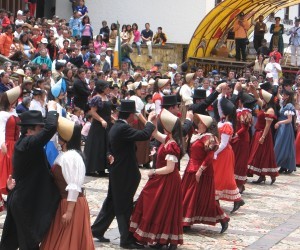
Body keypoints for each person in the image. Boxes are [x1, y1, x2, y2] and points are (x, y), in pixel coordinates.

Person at [91, 100, 155, 249]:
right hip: (123, 174)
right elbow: (145, 134)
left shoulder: (115, 127)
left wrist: (110, 156)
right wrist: (150, 121)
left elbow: (109, 148)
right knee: (123, 206)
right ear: (131, 115)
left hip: (118, 172)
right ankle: (126, 239)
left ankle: (97, 230)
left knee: (112, 203)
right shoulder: (122, 128)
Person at [0, 105, 61, 250]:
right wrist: (52, 109)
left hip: (20, 199)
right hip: (24, 203)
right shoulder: (28, 143)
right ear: (29, 130)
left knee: (10, 241)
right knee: (29, 242)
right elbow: (51, 128)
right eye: (39, 128)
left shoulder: (25, 144)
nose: (41, 131)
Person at [130, 109, 184, 250]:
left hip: (168, 180)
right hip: (164, 179)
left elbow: (170, 168)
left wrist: (154, 171)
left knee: (164, 208)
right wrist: (148, 119)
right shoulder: (168, 140)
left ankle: (167, 240)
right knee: (161, 207)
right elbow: (153, 133)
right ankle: (162, 239)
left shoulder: (172, 144)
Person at [40, 117, 94, 250]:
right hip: (65, 202)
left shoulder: (72, 157)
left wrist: (69, 211)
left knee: (68, 241)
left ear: (65, 139)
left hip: (71, 204)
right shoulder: (67, 155)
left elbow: (74, 185)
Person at [181, 114, 230, 233]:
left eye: (201, 123)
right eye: (199, 123)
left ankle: (222, 218)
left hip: (201, 171)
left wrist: (200, 170)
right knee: (189, 195)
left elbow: (209, 156)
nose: (199, 124)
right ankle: (186, 221)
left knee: (200, 197)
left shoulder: (209, 137)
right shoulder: (198, 136)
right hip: (191, 169)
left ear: (206, 125)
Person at [213, 96, 245, 213]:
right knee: (220, 177)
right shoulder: (223, 123)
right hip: (221, 152)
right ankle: (218, 200)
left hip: (223, 153)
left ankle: (235, 199)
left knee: (223, 177)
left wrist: (214, 152)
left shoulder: (227, 125)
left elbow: (223, 144)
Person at [248, 89, 278, 184]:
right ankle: (262, 176)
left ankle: (270, 175)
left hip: (263, 134)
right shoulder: (264, 107)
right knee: (258, 154)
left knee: (263, 154)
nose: (262, 99)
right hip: (258, 133)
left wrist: (263, 137)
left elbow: (268, 126)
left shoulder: (270, 110)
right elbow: (257, 97)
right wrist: (253, 89)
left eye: (263, 98)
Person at [84, 80, 112, 176]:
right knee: (97, 146)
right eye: (106, 87)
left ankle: (102, 168)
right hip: (98, 126)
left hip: (106, 125)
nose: (108, 88)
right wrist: (101, 120)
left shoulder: (106, 97)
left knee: (104, 145)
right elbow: (93, 112)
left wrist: (113, 119)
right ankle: (94, 167)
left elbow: (107, 112)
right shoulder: (97, 98)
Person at [231, 92, 256, 193]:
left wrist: (236, 135)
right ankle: (237, 183)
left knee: (240, 162)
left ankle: (240, 184)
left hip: (241, 140)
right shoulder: (244, 112)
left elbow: (244, 128)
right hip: (242, 139)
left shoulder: (244, 113)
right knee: (238, 161)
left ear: (241, 102)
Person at [0, 86, 21, 207]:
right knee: (7, 172)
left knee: (14, 171)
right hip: (7, 146)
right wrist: (2, 144)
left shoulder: (13, 112)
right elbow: (1, 130)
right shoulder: (2, 114)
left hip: (16, 144)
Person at [274, 89, 296, 174]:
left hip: (285, 128)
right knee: (283, 146)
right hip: (283, 128)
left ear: (287, 96)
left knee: (282, 146)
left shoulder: (289, 105)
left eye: (284, 95)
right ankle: (284, 166)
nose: (282, 96)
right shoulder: (284, 104)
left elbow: (289, 120)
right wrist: (278, 90)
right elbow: (279, 96)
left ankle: (282, 164)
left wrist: (279, 122)